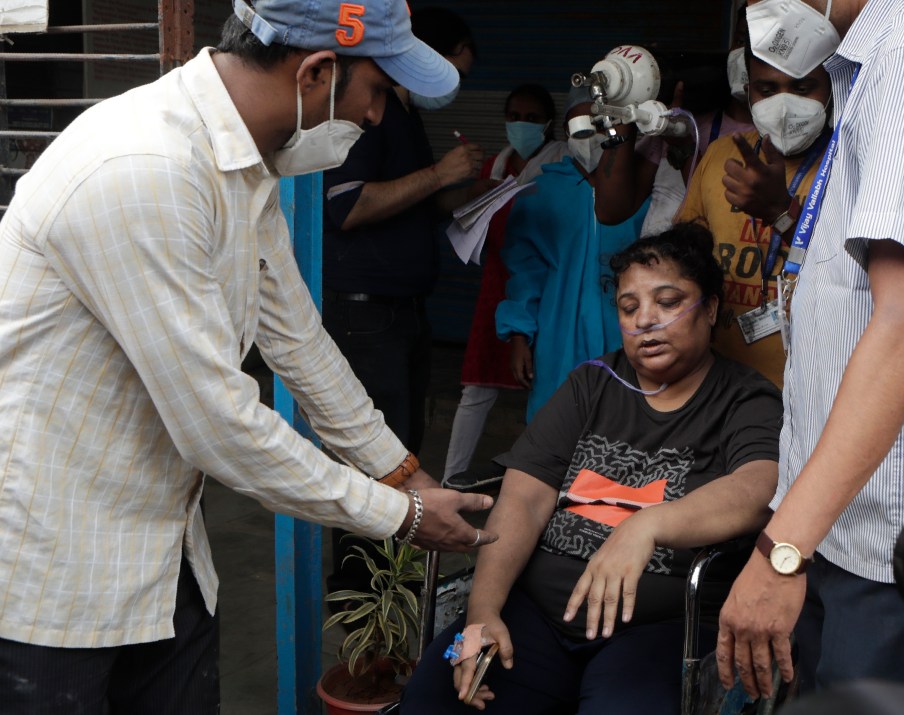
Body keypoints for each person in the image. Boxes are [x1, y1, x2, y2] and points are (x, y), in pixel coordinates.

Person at [0, 1, 497, 712]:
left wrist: (403, 470)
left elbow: (296, 339)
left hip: (160, 555)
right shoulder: (146, 169)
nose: (380, 117)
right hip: (52, 576)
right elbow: (219, 426)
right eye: (379, 92)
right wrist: (399, 514)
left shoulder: (242, 165)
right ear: (317, 71)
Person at [399, 223, 782, 714]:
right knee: (433, 696)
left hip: (660, 631)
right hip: (533, 615)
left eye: (667, 302)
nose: (645, 320)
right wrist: (483, 612)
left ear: (709, 308)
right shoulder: (590, 383)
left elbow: (759, 487)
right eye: (629, 307)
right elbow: (524, 498)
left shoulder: (745, 398)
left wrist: (648, 525)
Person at [716, 0, 904, 701]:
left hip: (884, 552)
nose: (759, 6)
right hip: (831, 528)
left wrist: (777, 553)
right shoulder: (860, 70)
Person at [321, 6, 482, 456]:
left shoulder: (408, 114)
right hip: (365, 315)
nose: (452, 89)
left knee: (403, 445)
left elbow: (413, 207)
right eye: (453, 73)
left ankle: (392, 528)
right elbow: (347, 206)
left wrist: (473, 192)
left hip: (402, 312)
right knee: (377, 454)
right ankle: (369, 531)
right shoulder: (371, 111)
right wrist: (437, 174)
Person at [676, 50, 833, 386]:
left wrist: (781, 214)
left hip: (807, 383)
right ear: (748, 93)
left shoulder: (850, 163)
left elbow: (856, 269)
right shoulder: (721, 154)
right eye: (767, 89)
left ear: (832, 87)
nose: (785, 104)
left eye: (803, 89)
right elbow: (686, 253)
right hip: (717, 378)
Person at [494, 86, 650, 424]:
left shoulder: (644, 189)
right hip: (557, 333)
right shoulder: (540, 193)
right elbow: (525, 274)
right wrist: (520, 335)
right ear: (565, 131)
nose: (589, 132)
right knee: (556, 422)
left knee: (624, 421)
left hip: (627, 331)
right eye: (580, 123)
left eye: (599, 121)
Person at [442, 83, 567, 488]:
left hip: (547, 290)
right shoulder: (494, 168)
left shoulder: (562, 166)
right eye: (514, 116)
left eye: (531, 118)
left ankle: (533, 483)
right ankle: (451, 481)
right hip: (497, 286)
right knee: (477, 387)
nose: (521, 125)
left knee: (549, 390)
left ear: (550, 124)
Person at [638, 4, 756, 237]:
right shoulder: (681, 121)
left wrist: (684, 148)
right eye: (741, 41)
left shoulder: (785, 141)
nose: (745, 55)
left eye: (759, 45)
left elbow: (721, 214)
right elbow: (611, 210)